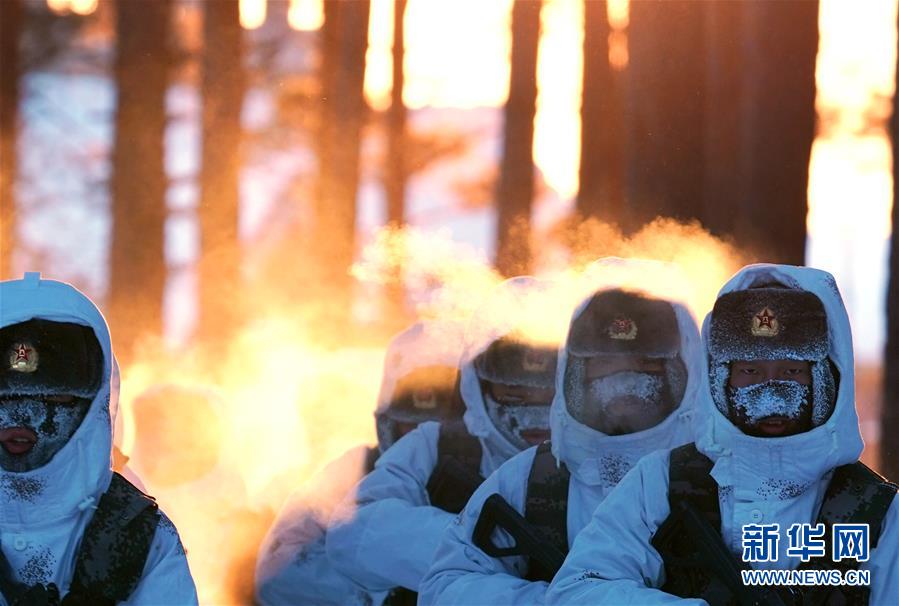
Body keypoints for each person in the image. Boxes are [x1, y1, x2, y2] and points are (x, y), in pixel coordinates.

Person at [547, 264, 899, 605]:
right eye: (749, 369)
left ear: (824, 378)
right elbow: (577, 590)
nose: (771, 390)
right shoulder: (659, 481)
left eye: (792, 370)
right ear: (721, 376)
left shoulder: (878, 511)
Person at [419, 268, 701, 604]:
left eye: (646, 363)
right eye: (604, 362)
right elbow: (445, 587)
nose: (624, 378)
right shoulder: (529, 478)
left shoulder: (717, 478)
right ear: (574, 371)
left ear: (682, 370)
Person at [325, 277, 560, 602]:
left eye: (546, 391)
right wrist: (482, 544)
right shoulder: (437, 447)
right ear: (478, 385)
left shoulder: (603, 453)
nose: (534, 409)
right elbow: (352, 529)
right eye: (513, 390)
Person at [0, 272, 197, 605]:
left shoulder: (136, 532)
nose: (23, 420)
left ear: (94, 406)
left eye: (53, 402)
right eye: (4, 401)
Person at [254, 320, 464, 605]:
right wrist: (382, 594)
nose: (418, 440)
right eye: (409, 427)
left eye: (434, 428)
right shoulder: (354, 471)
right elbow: (279, 571)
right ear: (387, 422)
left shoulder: (491, 471)